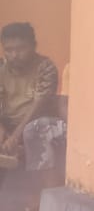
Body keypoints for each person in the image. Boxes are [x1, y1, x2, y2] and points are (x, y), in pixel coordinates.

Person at [0, 23, 65, 184]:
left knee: (35, 128)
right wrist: (2, 130)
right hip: (9, 124)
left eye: (20, 49)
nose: (14, 55)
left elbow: (38, 107)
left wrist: (15, 137)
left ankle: (41, 190)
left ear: (33, 46)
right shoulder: (2, 69)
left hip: (38, 122)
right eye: (8, 50)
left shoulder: (45, 67)